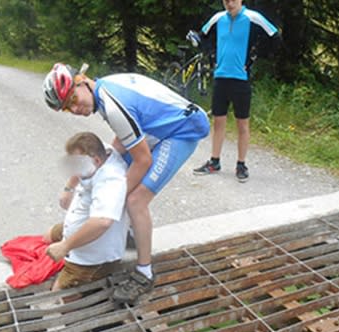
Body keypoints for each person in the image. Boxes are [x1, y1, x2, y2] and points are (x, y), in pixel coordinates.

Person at [43, 63, 210, 304]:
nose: (75, 109)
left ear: (81, 81)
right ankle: (130, 233)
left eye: (73, 99)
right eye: (68, 108)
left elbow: (143, 160)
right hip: (158, 126)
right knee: (116, 169)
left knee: (134, 200)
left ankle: (144, 273)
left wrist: (108, 206)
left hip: (182, 130)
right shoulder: (102, 92)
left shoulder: (112, 105)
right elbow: (115, 146)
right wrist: (72, 185)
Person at [192, 0, 279, 182]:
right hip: (220, 76)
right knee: (218, 121)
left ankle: (241, 164)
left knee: (242, 124)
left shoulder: (252, 18)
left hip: (241, 79)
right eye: (225, 0)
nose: (229, 4)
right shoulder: (218, 18)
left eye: (232, 0)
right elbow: (202, 36)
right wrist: (208, 50)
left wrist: (254, 57)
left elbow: (275, 37)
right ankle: (214, 161)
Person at [44, 132, 129, 292]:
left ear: (96, 161)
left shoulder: (111, 181)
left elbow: (102, 222)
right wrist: (69, 188)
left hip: (92, 256)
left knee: (58, 294)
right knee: (47, 236)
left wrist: (65, 246)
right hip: (80, 221)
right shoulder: (102, 151)